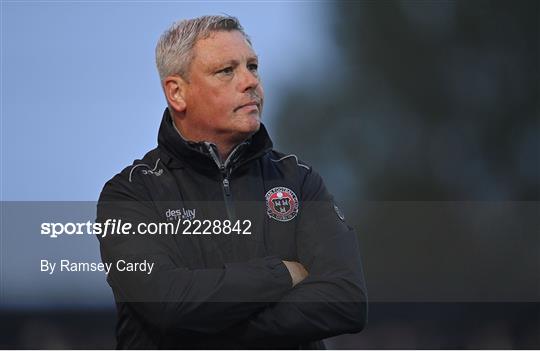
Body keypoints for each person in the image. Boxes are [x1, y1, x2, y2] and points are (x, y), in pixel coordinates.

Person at [96, 15, 367, 349]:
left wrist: (211, 329)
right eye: (227, 71)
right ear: (177, 92)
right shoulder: (131, 194)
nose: (249, 81)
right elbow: (168, 305)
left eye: (252, 66)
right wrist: (282, 273)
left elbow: (346, 300)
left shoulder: (298, 180)